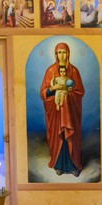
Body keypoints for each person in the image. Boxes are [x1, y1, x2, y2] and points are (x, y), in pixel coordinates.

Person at [39, 42, 84, 176]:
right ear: (56, 54)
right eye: (59, 52)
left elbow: (79, 91)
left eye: (64, 52)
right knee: (59, 137)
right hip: (56, 112)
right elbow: (43, 92)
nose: (62, 55)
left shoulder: (74, 71)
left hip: (70, 112)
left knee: (70, 136)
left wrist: (68, 96)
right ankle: (59, 164)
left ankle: (73, 165)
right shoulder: (51, 71)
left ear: (68, 53)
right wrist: (53, 88)